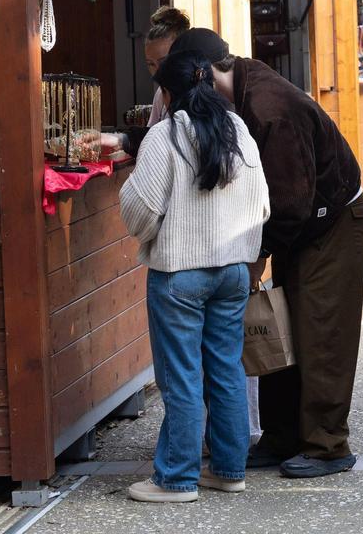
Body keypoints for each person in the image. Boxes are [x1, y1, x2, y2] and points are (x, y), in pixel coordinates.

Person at [168, 27, 363, 479]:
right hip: (302, 224)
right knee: (284, 327)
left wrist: (257, 254)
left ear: (202, 74)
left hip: (333, 221)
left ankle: (327, 445)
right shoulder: (240, 84)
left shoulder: (268, 107)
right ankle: (281, 436)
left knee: (320, 333)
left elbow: (291, 205)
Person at [119, 49, 270, 504]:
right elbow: (262, 204)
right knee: (226, 371)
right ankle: (228, 470)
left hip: (179, 274)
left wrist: (157, 233)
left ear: (167, 93)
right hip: (232, 273)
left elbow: (140, 209)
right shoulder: (238, 129)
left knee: (182, 377)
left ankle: (176, 478)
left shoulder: (164, 138)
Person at [104, 6, 191, 157]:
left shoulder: (197, 92)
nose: (157, 72)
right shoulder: (160, 94)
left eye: (163, 62)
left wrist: (120, 140)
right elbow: (150, 138)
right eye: (151, 64)